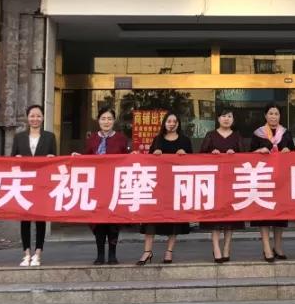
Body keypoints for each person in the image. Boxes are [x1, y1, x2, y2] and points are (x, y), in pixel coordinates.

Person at [79, 106, 131, 265]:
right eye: (103, 119)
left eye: (109, 119)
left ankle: (113, 254)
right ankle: (100, 254)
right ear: (98, 120)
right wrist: (78, 157)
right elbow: (86, 159)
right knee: (98, 220)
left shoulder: (121, 139)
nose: (106, 122)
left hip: (114, 185)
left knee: (113, 221)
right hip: (96, 186)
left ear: (114, 121)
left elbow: (127, 159)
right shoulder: (92, 139)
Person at [139, 111, 193, 265]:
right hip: (157, 185)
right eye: (169, 121)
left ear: (178, 124)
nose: (171, 124)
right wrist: (154, 155)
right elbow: (148, 162)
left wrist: (185, 155)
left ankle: (169, 251)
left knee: (174, 220)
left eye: (174, 121)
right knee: (151, 219)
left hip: (176, 186)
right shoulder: (157, 139)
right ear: (164, 123)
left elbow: (193, 162)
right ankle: (147, 251)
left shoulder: (185, 140)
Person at [10, 104, 57, 267]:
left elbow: (55, 160)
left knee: (40, 219)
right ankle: (26, 253)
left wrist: (51, 158)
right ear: (27, 118)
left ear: (43, 118)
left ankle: (38, 253)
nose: (35, 119)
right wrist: (16, 158)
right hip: (24, 183)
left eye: (38, 116)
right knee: (25, 219)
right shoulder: (19, 137)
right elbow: (12, 160)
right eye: (32, 115)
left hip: (42, 183)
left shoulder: (50, 137)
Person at [249, 104, 295, 262]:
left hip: (281, 179)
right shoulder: (258, 134)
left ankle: (278, 246)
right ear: (265, 116)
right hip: (263, 178)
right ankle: (266, 247)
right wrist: (259, 152)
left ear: (280, 116)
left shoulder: (286, 133)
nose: (273, 116)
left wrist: (289, 152)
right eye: (270, 113)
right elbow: (249, 155)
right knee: (264, 214)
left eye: (276, 113)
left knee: (280, 214)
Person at [200, 107, 245, 264]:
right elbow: (200, 156)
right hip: (214, 184)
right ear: (218, 119)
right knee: (215, 218)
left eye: (229, 116)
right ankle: (216, 247)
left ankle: (226, 247)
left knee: (230, 219)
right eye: (223, 116)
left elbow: (245, 158)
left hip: (232, 183)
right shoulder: (210, 135)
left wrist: (235, 155)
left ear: (233, 119)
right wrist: (210, 155)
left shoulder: (237, 136)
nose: (226, 119)